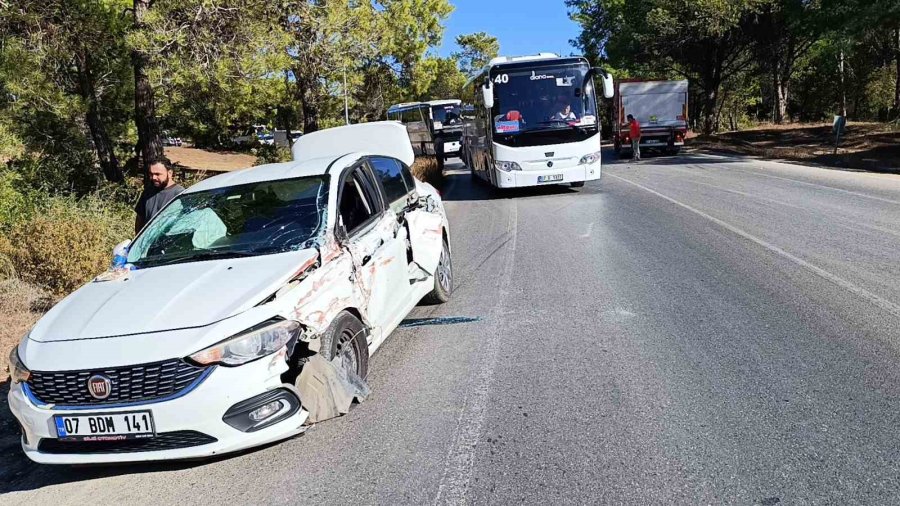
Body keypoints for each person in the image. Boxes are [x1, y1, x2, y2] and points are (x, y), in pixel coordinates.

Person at [134, 158, 185, 233]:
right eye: (151, 174)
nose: (153, 178)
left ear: (170, 173)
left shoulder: (180, 194)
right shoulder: (148, 192)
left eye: (157, 174)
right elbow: (140, 218)